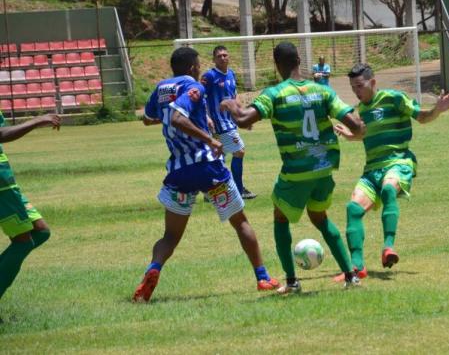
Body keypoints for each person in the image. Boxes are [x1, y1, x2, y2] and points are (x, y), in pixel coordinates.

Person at [133, 47, 278, 303]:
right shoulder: (194, 87)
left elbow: (148, 118)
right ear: (192, 67)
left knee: (170, 237)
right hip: (208, 166)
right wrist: (209, 139)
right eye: (198, 65)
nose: (200, 69)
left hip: (179, 172)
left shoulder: (161, 88)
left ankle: (153, 269)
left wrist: (188, 119)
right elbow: (179, 118)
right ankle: (263, 277)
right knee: (240, 222)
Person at [220, 42, 366, 294]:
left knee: (280, 218)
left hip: (297, 171)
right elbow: (355, 125)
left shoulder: (274, 94)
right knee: (320, 218)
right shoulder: (322, 90)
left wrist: (231, 104)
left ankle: (291, 281)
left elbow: (244, 119)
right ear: (299, 59)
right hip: (323, 169)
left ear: (277, 65)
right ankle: (351, 277)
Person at [332, 63, 449, 281]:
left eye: (360, 86)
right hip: (372, 169)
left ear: (373, 82)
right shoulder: (361, 110)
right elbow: (366, 134)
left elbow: (422, 117)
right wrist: (350, 135)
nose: (356, 91)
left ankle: (388, 247)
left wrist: (436, 109)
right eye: (353, 87)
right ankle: (356, 267)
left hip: (398, 162)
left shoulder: (394, 98)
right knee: (353, 209)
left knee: (388, 189)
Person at [0, 113, 61, 310]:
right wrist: (36, 121)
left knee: (41, 231)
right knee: (23, 240)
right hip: (1, 187)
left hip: (6, 182)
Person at [201, 45, 256, 200]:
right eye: (219, 56)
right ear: (214, 59)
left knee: (219, 156)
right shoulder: (209, 76)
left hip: (228, 122)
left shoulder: (231, 74)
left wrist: (243, 115)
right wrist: (207, 117)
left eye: (225, 55)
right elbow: (199, 97)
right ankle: (238, 189)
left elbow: (234, 98)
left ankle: (210, 190)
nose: (223, 58)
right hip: (218, 123)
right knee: (239, 151)